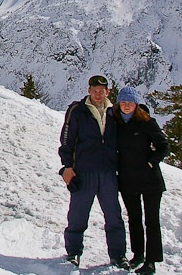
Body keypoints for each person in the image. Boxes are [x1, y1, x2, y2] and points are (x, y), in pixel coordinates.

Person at [58, 75, 128, 269]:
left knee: (114, 216)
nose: (98, 94)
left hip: (107, 172)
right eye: (95, 90)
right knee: (78, 215)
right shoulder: (77, 111)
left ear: (107, 92)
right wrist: (67, 167)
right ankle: (73, 253)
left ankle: (118, 255)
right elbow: (66, 140)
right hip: (84, 171)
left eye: (102, 91)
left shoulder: (115, 112)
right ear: (89, 90)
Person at [114, 86, 169, 274]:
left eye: (130, 102)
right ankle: (138, 255)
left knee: (152, 221)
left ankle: (151, 261)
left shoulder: (147, 122)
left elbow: (163, 146)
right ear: (119, 104)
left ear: (136, 104)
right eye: (123, 102)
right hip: (128, 180)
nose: (127, 106)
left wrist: (152, 162)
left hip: (150, 181)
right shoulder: (116, 123)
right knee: (134, 219)